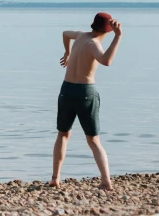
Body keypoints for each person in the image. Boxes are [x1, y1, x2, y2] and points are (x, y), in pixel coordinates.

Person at [50, 12, 123, 190]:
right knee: (93, 140)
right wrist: (118, 36)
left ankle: (55, 178)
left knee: (63, 134)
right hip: (84, 91)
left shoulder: (81, 36)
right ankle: (106, 181)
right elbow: (106, 61)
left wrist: (67, 51)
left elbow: (65, 33)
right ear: (108, 29)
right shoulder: (93, 44)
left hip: (66, 89)